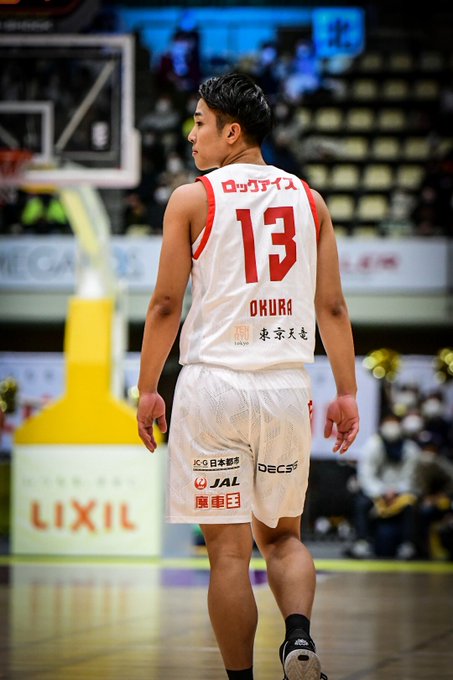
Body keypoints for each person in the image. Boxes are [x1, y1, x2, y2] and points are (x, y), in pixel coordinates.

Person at [137, 72, 359, 680]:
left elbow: (165, 306)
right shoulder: (310, 200)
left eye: (199, 123)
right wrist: (346, 391)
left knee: (229, 555)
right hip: (286, 386)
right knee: (283, 539)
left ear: (231, 132)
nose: (191, 135)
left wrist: (149, 388)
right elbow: (333, 308)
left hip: (213, 386)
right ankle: (299, 638)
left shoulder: (191, 199)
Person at [346, 413, 420, 560]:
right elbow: (366, 474)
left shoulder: (410, 448)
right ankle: (362, 542)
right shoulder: (372, 445)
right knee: (362, 503)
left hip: (401, 494)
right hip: (376, 493)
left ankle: (408, 545)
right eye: (389, 421)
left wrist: (397, 491)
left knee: (411, 506)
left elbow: (411, 476)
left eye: (395, 422)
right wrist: (382, 491)